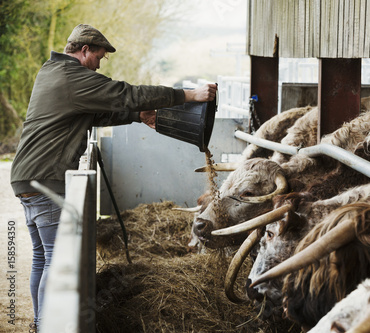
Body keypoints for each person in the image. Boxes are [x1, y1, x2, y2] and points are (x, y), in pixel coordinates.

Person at [10, 23, 217, 332]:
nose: (100, 64)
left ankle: (40, 323)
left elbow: (100, 113)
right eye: (99, 57)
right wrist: (188, 95)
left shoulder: (51, 72)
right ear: (84, 51)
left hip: (27, 176)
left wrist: (138, 116)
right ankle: (46, 326)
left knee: (42, 256)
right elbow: (125, 93)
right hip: (47, 178)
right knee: (54, 260)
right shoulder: (73, 76)